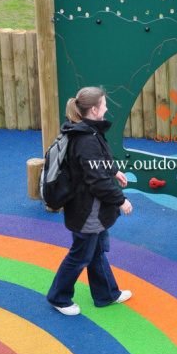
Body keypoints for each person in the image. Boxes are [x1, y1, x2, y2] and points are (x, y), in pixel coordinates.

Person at [46, 87, 133, 316]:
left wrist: (113, 171)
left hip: (86, 204)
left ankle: (106, 293)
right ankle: (59, 297)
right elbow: (97, 182)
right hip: (87, 209)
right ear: (94, 109)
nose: (106, 108)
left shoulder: (88, 131)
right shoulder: (86, 139)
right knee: (81, 254)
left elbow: (98, 161)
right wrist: (120, 200)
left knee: (94, 252)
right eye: (104, 104)